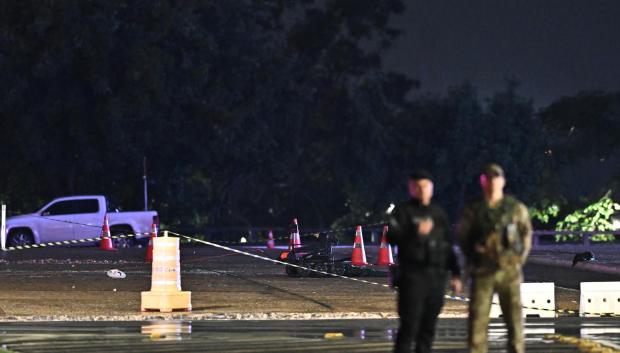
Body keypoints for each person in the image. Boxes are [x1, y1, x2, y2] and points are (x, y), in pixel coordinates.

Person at [457, 164, 532, 353]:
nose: (492, 182)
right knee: (477, 324)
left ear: (503, 181)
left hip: (509, 273)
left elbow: (526, 235)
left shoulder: (514, 208)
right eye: (488, 178)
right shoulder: (474, 209)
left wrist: (518, 260)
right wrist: (473, 257)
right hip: (482, 272)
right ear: (482, 181)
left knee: (515, 323)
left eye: (496, 178)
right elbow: (463, 237)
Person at [387, 169, 462, 353]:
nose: (421, 190)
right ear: (411, 188)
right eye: (417, 186)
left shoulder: (438, 214)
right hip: (413, 276)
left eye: (425, 186)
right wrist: (416, 233)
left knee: (428, 329)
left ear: (432, 188)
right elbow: (392, 237)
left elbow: (447, 245)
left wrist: (456, 273)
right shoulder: (403, 212)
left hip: (436, 277)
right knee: (409, 327)